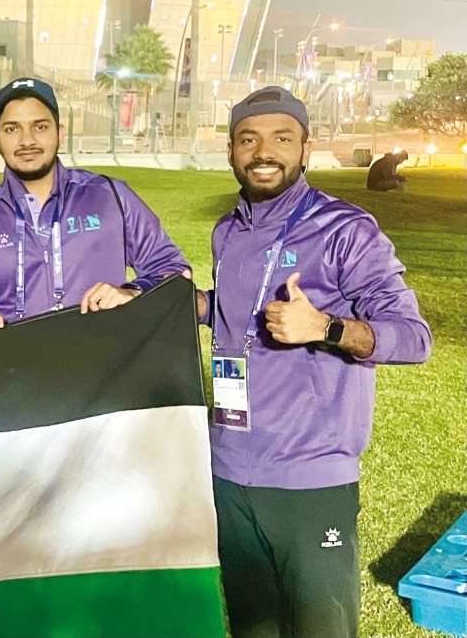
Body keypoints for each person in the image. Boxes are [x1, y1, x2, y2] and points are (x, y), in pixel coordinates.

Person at [202, 86, 430, 638]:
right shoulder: (228, 231)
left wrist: (325, 328)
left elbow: (414, 338)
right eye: (248, 139)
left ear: (306, 149)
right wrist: (175, 303)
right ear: (231, 150)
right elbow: (238, 310)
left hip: (310, 477)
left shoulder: (346, 231)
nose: (264, 152)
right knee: (253, 626)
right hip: (228, 468)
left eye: (282, 139)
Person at [0, 77, 189, 332]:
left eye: (40, 127)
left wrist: (133, 292)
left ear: (60, 132)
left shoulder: (111, 197)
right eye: (12, 129)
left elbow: (175, 273)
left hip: (105, 366)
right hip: (15, 367)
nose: (27, 141)